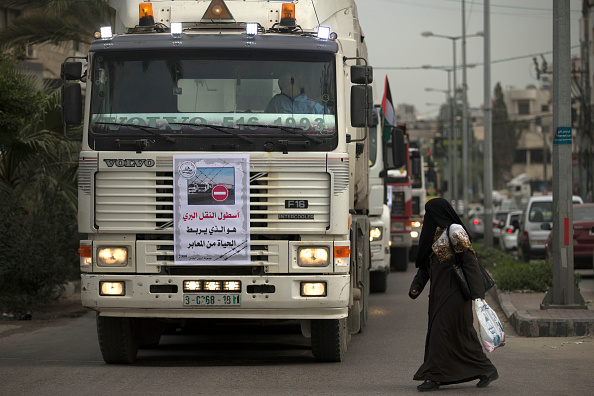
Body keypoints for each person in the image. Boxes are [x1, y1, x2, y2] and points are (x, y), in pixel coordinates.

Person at [409, 198, 498, 392]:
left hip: (455, 294)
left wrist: (477, 295)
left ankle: (434, 377)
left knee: (440, 333)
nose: (427, 217)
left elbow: (469, 262)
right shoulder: (434, 234)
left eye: (430, 213)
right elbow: (426, 266)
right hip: (440, 294)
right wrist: (417, 286)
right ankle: (485, 369)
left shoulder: (455, 231)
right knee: (462, 335)